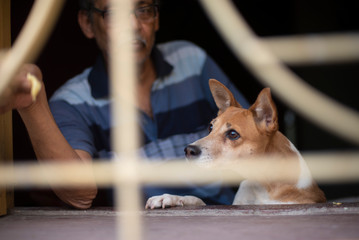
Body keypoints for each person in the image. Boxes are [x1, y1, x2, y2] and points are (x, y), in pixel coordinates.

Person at [5, 0, 249, 209]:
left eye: (143, 9)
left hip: (224, 218)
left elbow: (259, 140)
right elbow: (80, 194)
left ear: (156, 19)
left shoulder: (192, 62)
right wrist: (32, 104)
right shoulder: (72, 103)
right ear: (88, 24)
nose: (134, 25)